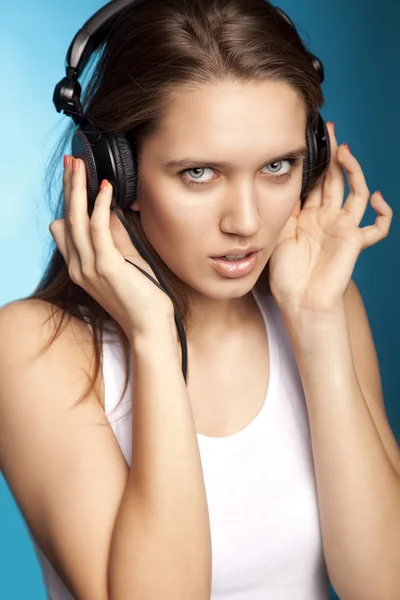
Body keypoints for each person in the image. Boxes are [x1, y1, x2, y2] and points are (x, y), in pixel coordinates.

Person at [0, 0, 398, 599]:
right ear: (117, 173)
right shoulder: (35, 348)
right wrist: (155, 339)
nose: (246, 221)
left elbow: (384, 584)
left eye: (277, 166)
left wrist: (316, 323)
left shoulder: (325, 305)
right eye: (199, 174)